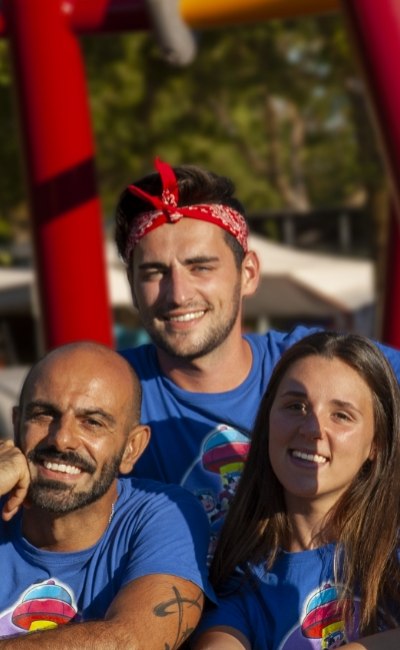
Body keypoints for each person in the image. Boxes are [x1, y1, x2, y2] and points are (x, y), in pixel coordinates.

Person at [114, 158, 400, 531]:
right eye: (154, 273)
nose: (178, 294)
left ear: (247, 274)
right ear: (133, 287)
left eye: (201, 267)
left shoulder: (318, 364)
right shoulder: (106, 390)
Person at [192, 332, 400, 649]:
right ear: (267, 422)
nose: (312, 429)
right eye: (296, 406)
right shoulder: (239, 568)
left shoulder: (393, 541)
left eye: (341, 415)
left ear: (377, 444)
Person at [0, 341, 214, 647]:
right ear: (17, 423)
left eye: (92, 422)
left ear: (132, 448)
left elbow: (130, 642)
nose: (61, 439)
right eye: (44, 414)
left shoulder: (163, 514)